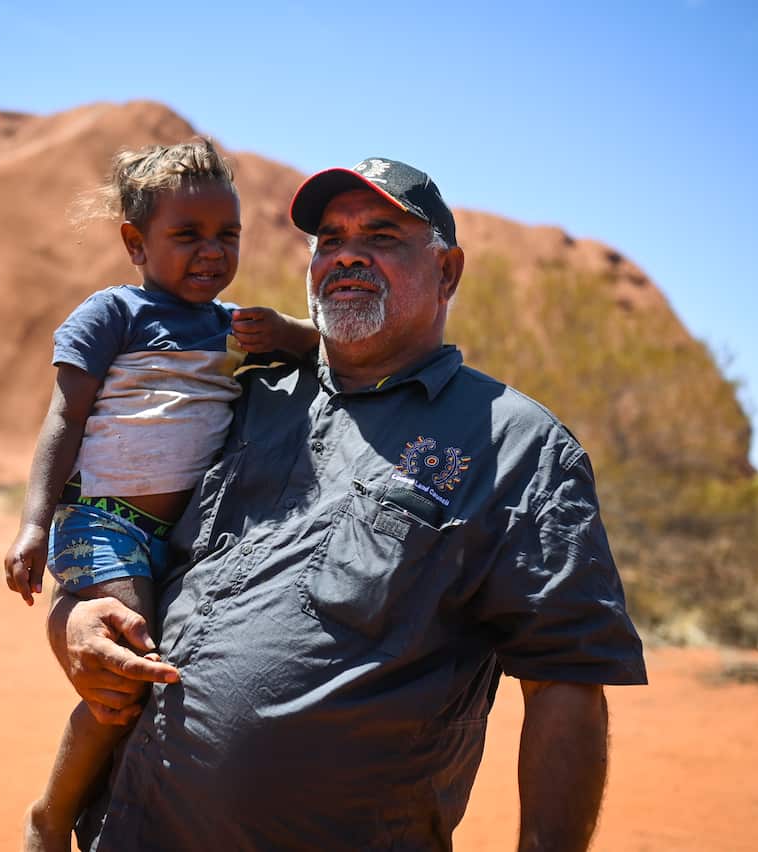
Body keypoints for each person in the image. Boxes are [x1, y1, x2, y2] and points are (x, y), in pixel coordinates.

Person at [47, 156, 649, 851]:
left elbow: (565, 683)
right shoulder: (241, 395)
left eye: (382, 237)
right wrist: (74, 618)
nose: (347, 257)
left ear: (447, 271)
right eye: (329, 240)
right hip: (130, 829)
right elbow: (112, 527)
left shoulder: (516, 446)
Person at [2, 139, 318, 852]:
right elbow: (64, 418)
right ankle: (51, 817)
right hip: (102, 523)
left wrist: (289, 332)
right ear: (136, 244)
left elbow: (323, 354)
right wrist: (31, 525)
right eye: (187, 236)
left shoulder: (234, 326)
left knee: (165, 680)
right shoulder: (111, 313)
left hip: (182, 543)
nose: (212, 252)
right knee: (129, 675)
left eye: (226, 235)